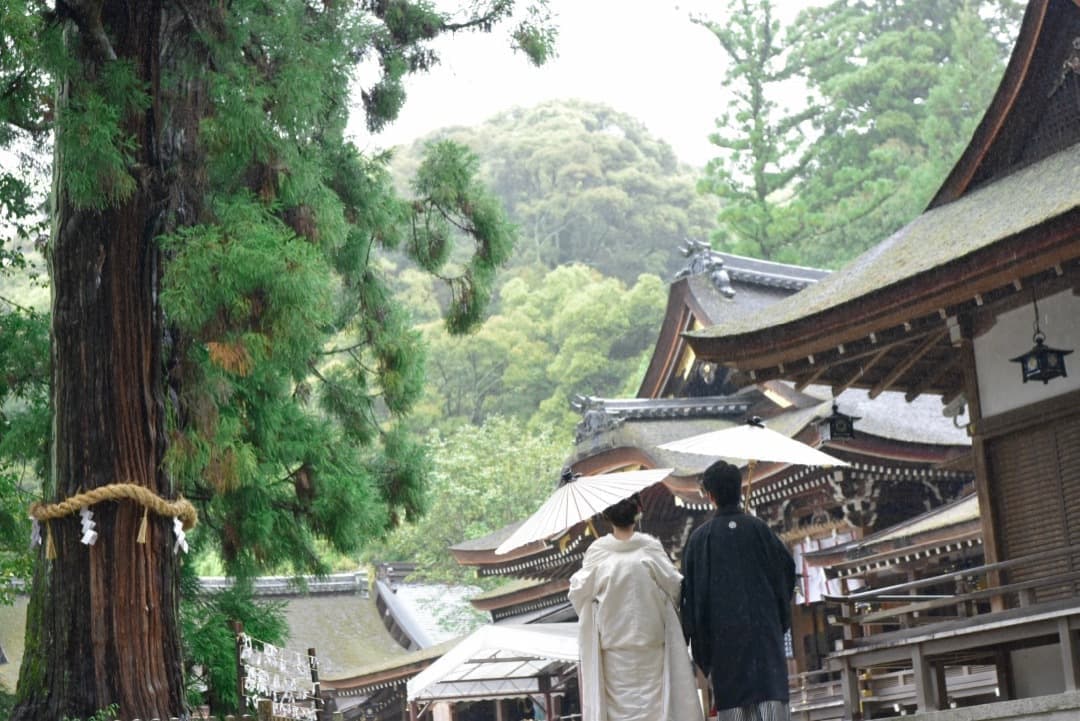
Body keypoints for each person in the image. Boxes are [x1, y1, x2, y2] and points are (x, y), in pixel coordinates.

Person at [568, 495, 704, 721]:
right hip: (651, 648)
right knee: (658, 711)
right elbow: (675, 588)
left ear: (606, 516)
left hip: (614, 652)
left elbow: (579, 594)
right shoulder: (650, 548)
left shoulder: (598, 553)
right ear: (638, 511)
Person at [681, 459, 797, 721]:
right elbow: (786, 573)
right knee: (771, 708)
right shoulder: (760, 530)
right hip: (765, 642)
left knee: (734, 708)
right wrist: (776, 618)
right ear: (740, 490)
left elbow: (692, 599)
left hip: (724, 648)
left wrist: (703, 650)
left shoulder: (700, 541)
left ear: (710, 496)